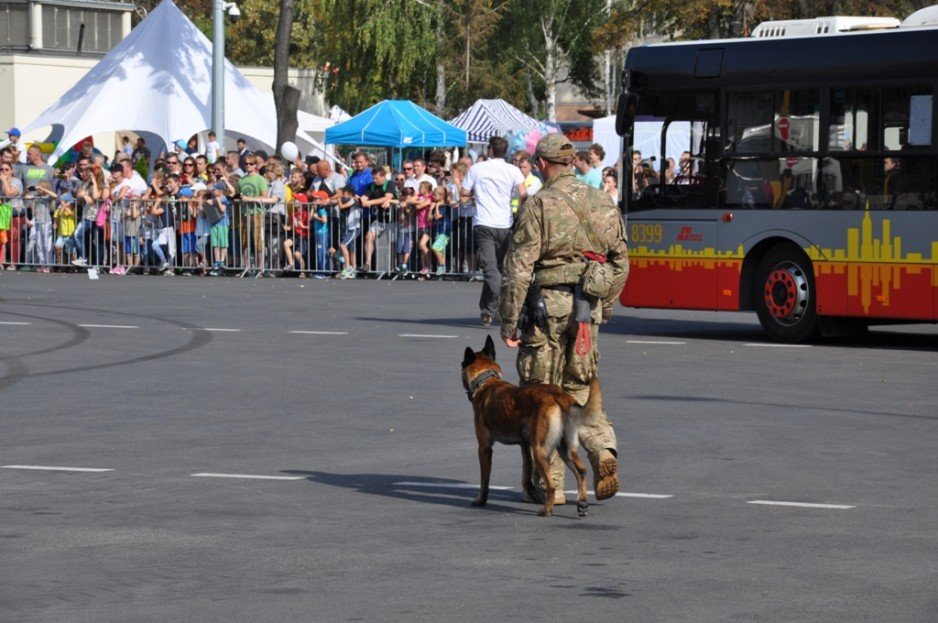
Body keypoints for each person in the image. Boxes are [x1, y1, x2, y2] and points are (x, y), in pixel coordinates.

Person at [498, 133, 629, 504]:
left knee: (542, 397)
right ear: (572, 162)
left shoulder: (538, 205)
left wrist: (509, 322)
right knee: (580, 388)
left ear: (541, 164)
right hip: (587, 311)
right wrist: (605, 306)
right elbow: (621, 262)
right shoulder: (604, 201)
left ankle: (549, 486)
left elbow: (520, 268)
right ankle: (603, 451)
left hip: (547, 310)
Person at [461, 136, 526, 326]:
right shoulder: (513, 170)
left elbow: (463, 195)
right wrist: (517, 212)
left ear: (490, 150)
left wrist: (472, 195)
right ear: (505, 151)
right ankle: (489, 310)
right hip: (505, 223)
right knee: (496, 270)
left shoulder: (477, 168)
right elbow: (523, 194)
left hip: (484, 223)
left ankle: (491, 307)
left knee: (492, 271)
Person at [360, 166, 397, 273]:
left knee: (391, 245)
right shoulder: (371, 186)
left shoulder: (389, 184)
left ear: (383, 176)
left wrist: (370, 202)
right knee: (368, 237)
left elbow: (387, 197)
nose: (374, 180)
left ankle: (393, 267)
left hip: (391, 219)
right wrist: (362, 200)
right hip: (379, 219)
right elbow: (364, 197)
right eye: (373, 178)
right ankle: (367, 263)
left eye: (376, 178)